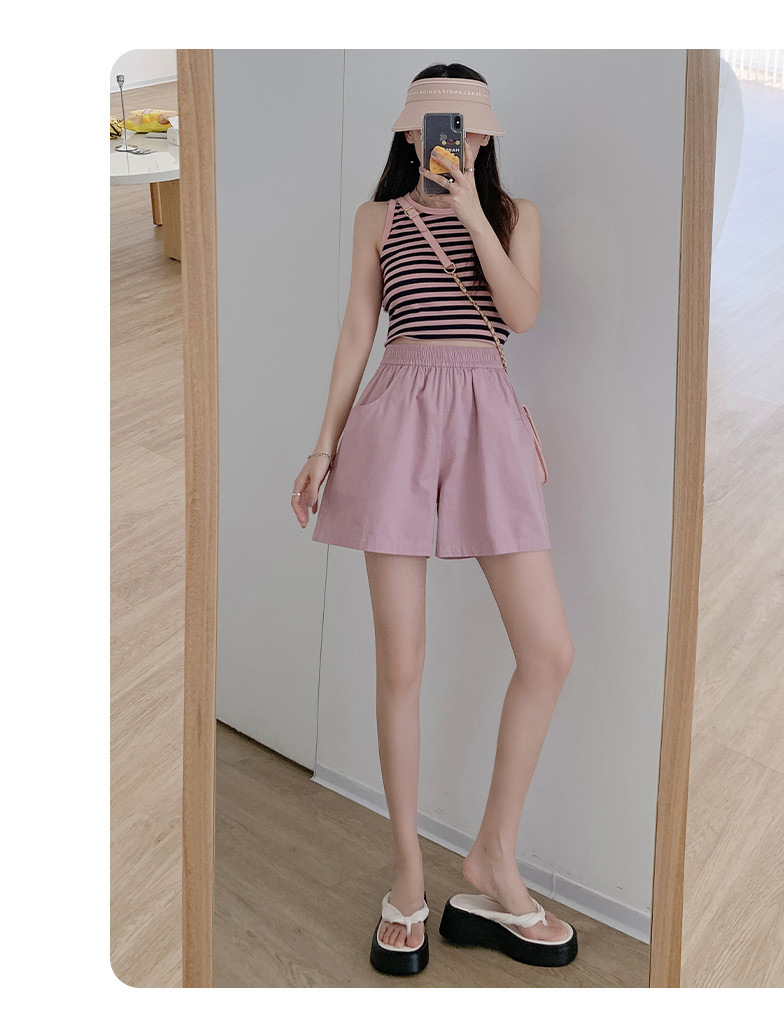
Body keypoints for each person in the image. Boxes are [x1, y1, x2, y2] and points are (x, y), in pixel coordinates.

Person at [291, 64, 577, 977]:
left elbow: (521, 315)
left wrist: (469, 214)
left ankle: (493, 855)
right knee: (402, 663)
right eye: (436, 124)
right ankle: (408, 876)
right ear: (409, 132)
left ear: (486, 135)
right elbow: (356, 333)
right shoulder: (375, 220)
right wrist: (323, 446)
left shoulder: (516, 215)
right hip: (397, 418)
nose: (456, 138)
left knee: (549, 651)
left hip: (487, 418)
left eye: (470, 125)